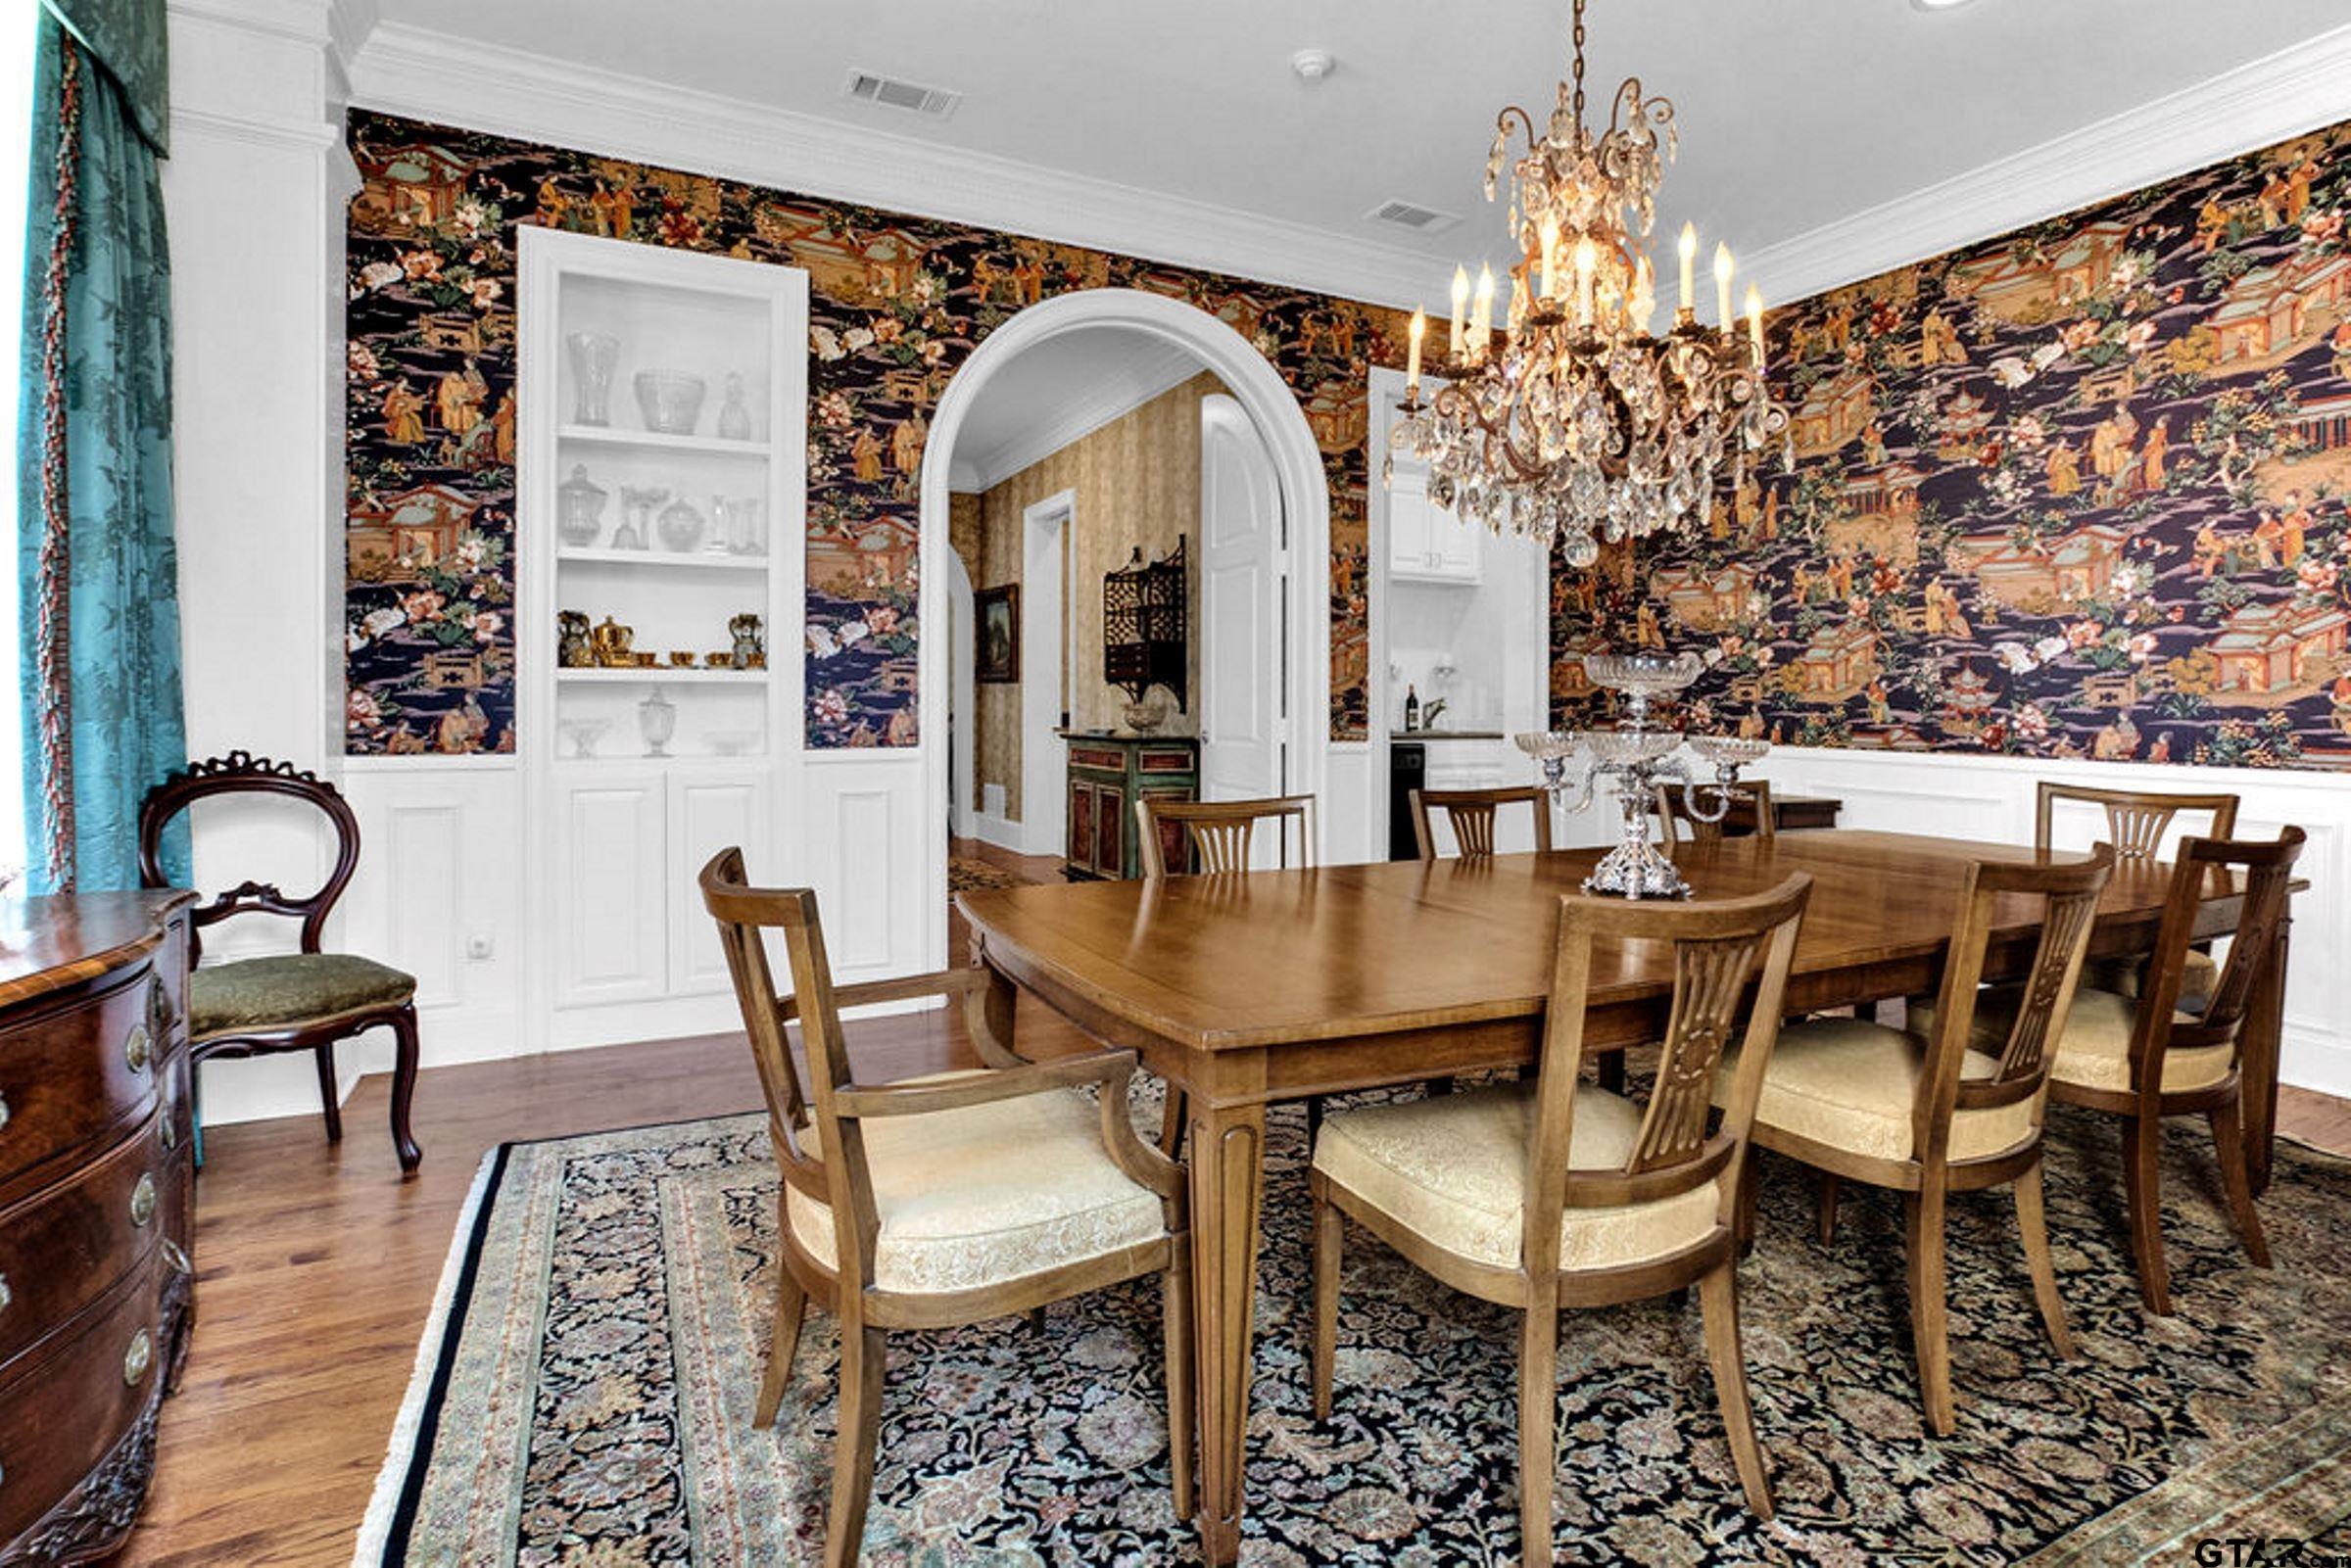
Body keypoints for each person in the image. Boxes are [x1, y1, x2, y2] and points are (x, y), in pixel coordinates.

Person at [382, 379, 426, 445]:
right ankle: (404, 437)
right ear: (399, 383)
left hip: (402, 410)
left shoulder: (402, 391)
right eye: (403, 383)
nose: (404, 385)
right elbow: (390, 402)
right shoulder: (393, 391)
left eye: (405, 383)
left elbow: (408, 400)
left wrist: (418, 399)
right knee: (407, 419)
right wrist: (398, 403)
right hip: (396, 411)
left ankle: (416, 437)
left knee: (416, 418)